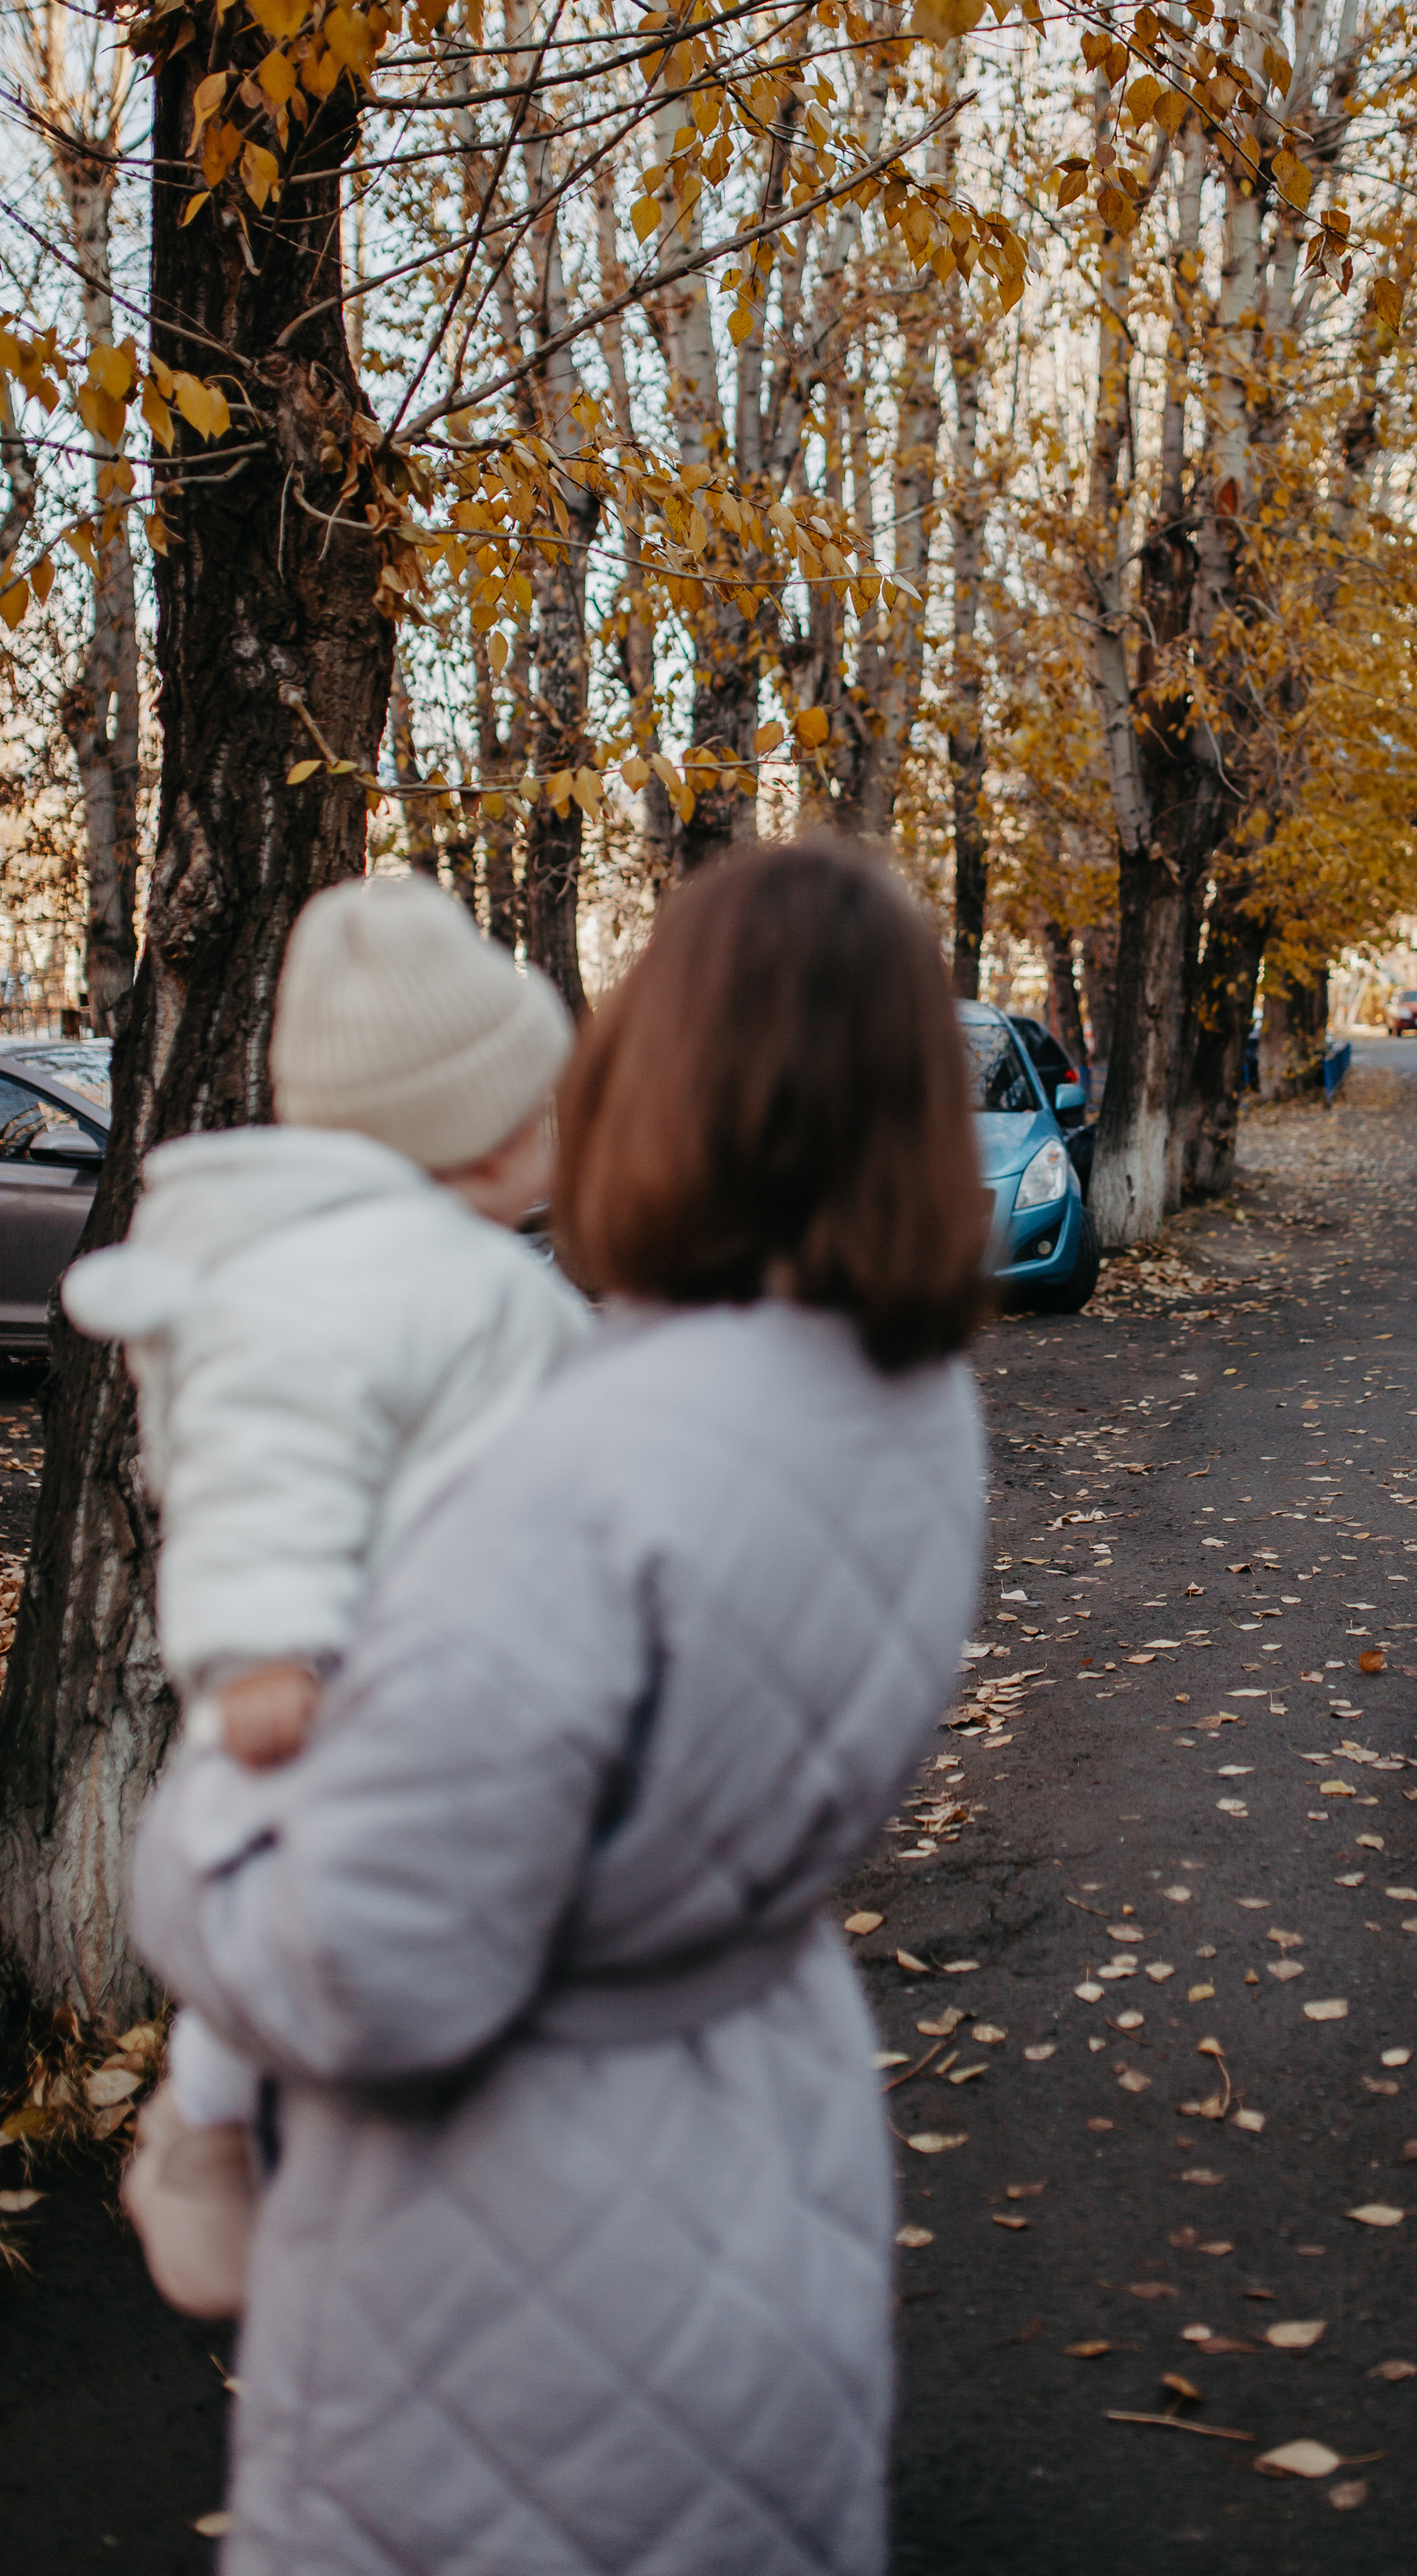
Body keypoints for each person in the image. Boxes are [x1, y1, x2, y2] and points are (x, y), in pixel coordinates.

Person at [129, 840, 990, 2576]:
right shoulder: (906, 1408)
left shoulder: (584, 1474)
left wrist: (194, 1828)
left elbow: (362, 1959)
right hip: (764, 2168)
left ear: (647, 1077)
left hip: (516, 2275)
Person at [66, 872, 588, 2313]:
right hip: (320, 1678)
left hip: (432, 1660)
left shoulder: (451, 1270)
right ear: (459, 1130)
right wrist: (259, 1647)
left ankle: (253, 2123)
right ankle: (203, 2136)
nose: (553, 1129)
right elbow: (258, 1461)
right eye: (532, 1104)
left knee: (368, 1896)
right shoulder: (336, 1282)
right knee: (295, 1893)